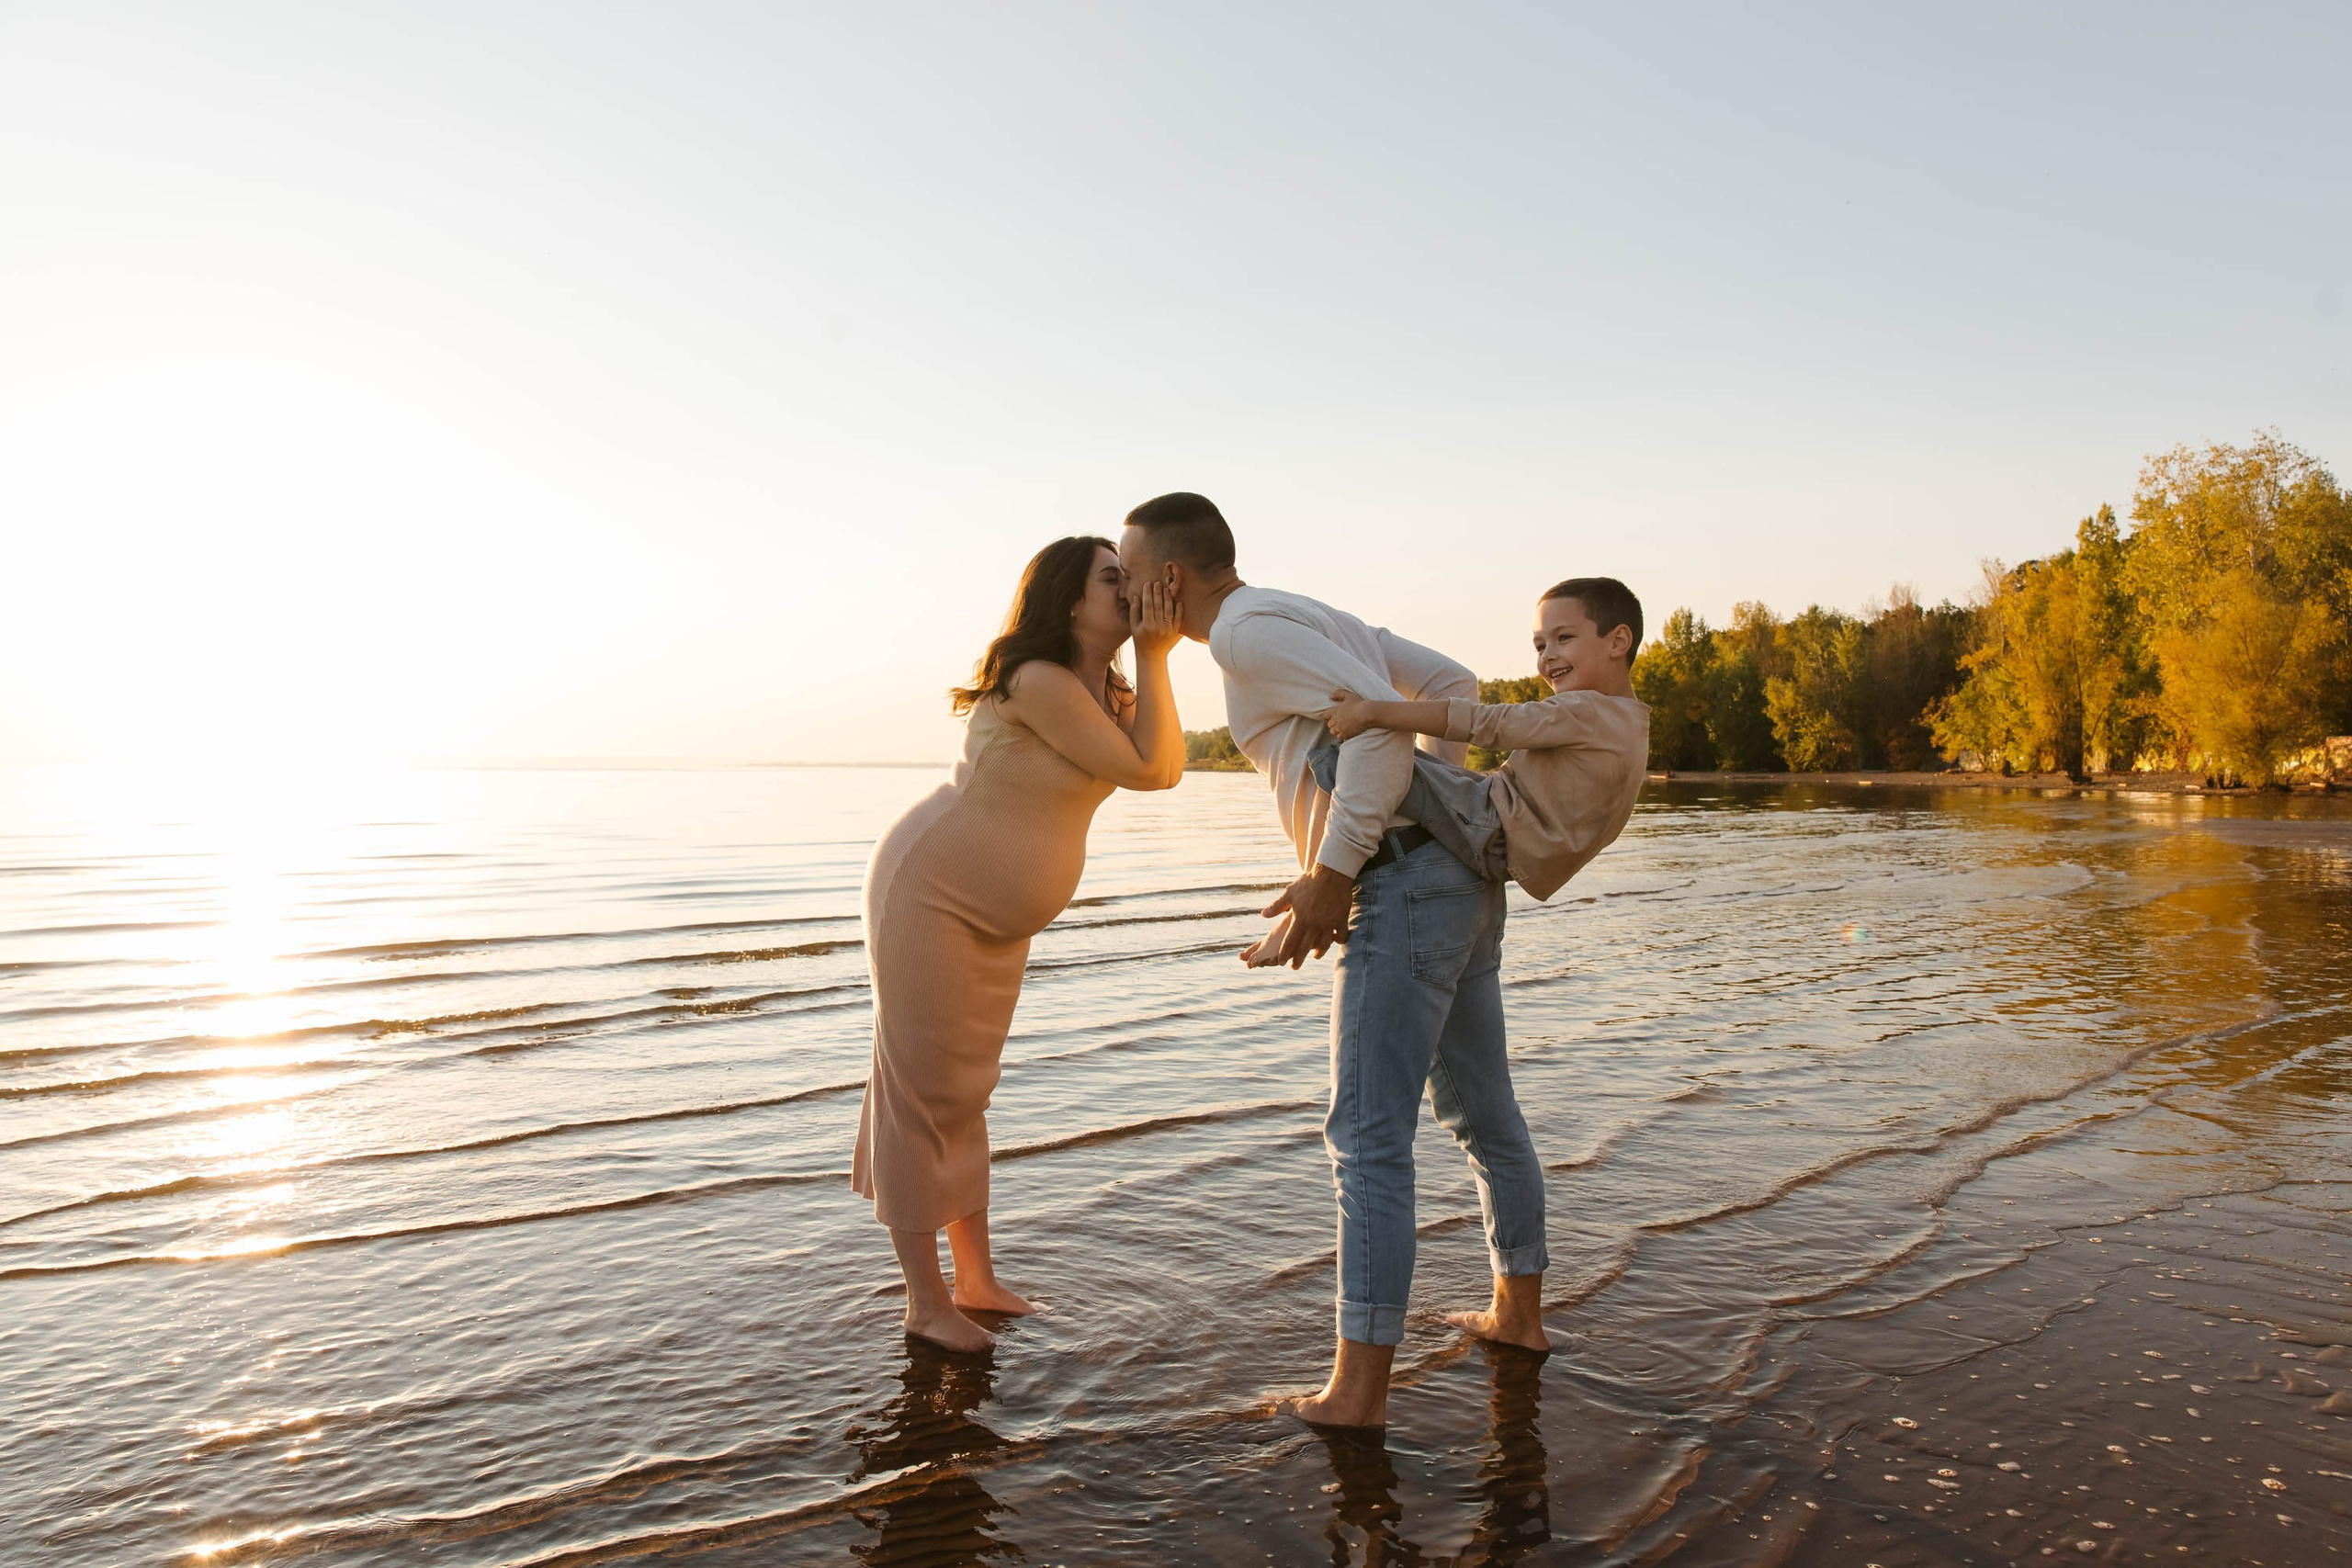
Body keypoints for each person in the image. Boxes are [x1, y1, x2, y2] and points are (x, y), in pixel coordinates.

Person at [1116, 491, 1547, 1428]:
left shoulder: (1243, 636)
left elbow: (1387, 730)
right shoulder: (1306, 612)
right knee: (1483, 1112)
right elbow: (1453, 681)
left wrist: (1336, 869)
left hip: (1400, 889)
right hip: (1454, 884)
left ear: (1169, 579)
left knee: (1366, 1140)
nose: (1124, 591)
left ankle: (1356, 1396)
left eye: (1128, 572)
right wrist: (1444, 818)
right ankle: (1517, 1319)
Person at [853, 536, 1186, 1352]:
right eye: (1113, 577)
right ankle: (926, 1303)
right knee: (921, 1094)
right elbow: (1145, 771)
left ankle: (976, 1280)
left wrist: (1155, 661)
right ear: (1069, 598)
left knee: (965, 1091)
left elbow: (1169, 765)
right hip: (930, 892)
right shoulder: (1038, 680)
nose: (1129, 587)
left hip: (992, 919)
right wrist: (1152, 651)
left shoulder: (1106, 688)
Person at [1319, 577, 1651, 902]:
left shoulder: (1587, 710)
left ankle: (1326, 884)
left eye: (1563, 638)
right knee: (1406, 761)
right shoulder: (1630, 722)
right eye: (1540, 645)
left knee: (1344, 755)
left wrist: (1371, 711)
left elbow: (1488, 724)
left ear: (1618, 641)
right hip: (1509, 835)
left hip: (1494, 829)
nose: (1547, 655)